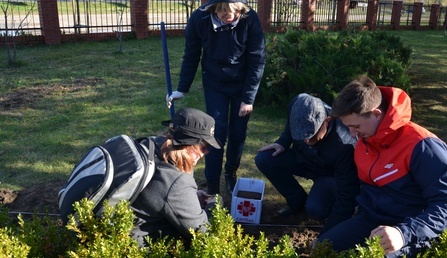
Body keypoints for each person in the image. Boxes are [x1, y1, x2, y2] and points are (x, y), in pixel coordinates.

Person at [316, 76, 447, 257]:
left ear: (376, 113)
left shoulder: (423, 146)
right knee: (324, 248)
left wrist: (403, 233)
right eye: (347, 127)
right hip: (375, 221)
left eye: (355, 126)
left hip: (417, 228)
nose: (352, 134)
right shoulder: (364, 142)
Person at [166, 0, 266, 195]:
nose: (226, 17)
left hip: (242, 84)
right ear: (214, 9)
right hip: (214, 83)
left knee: (238, 133)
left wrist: (249, 98)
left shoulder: (250, 19)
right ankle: (212, 185)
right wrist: (182, 89)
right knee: (215, 133)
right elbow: (192, 54)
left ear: (239, 9)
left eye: (231, 14)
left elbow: (257, 59)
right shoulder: (199, 19)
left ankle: (230, 174)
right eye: (222, 13)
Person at [254, 93, 360, 233]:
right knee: (265, 159)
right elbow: (290, 125)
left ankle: (319, 205)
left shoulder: (345, 144)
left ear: (327, 121)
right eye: (301, 136)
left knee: (316, 209)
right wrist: (283, 142)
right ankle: (297, 202)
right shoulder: (297, 104)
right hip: (304, 159)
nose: (306, 141)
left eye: (311, 136)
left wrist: (328, 234)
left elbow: (347, 195)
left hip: (329, 174)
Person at [130, 107, 222, 247]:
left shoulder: (150, 144)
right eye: (204, 147)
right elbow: (204, 234)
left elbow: (161, 194)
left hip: (121, 230)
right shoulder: (177, 182)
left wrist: (190, 197)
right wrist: (213, 205)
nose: (205, 153)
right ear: (189, 144)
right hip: (140, 248)